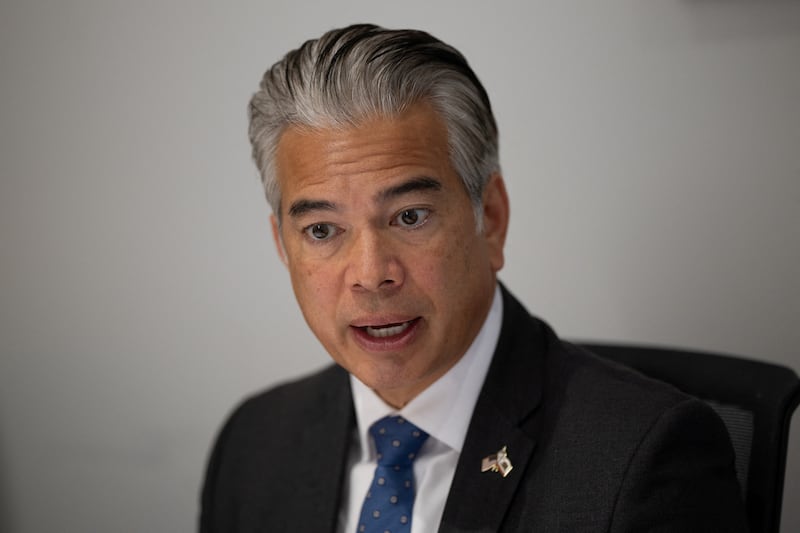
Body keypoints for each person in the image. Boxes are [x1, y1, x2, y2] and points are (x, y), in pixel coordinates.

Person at [200, 24, 747, 532]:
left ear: (492, 218)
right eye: (322, 230)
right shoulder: (252, 443)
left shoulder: (646, 455)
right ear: (282, 246)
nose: (370, 275)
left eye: (410, 216)